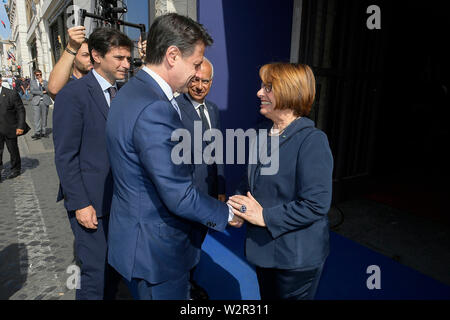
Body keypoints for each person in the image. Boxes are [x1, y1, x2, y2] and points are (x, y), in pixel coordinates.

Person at [106, 13, 243, 300]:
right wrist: (229, 213)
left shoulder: (129, 92)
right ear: (172, 55)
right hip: (157, 252)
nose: (197, 74)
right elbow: (178, 195)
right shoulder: (154, 107)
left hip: (137, 241)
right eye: (194, 64)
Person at [227, 62, 333, 300]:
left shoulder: (312, 141)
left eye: (268, 87)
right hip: (263, 252)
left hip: (295, 259)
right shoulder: (262, 135)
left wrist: (264, 217)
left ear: (288, 91)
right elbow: (249, 183)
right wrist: (237, 209)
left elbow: (316, 204)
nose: (259, 93)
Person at [53, 27, 133, 300]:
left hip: (118, 202)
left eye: (128, 58)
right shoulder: (73, 94)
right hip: (90, 204)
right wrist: (80, 204)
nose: (126, 64)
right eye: (119, 58)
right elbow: (65, 156)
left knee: (113, 269)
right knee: (93, 274)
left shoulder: (121, 94)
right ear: (97, 56)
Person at [175, 57, 225, 299]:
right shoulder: (174, 108)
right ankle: (182, 291)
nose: (199, 86)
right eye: (195, 80)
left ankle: (190, 284)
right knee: (183, 247)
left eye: (205, 81)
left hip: (209, 194)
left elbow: (218, 151)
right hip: (185, 197)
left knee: (197, 244)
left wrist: (221, 187)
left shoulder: (213, 110)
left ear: (211, 82)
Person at [48, 26, 93, 99]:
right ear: (73, 59)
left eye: (92, 55)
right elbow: (54, 89)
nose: (91, 59)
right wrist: (72, 47)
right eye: (85, 55)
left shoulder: (97, 80)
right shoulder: (67, 84)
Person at [0, 74, 29, 181]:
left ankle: (15, 169)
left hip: (10, 127)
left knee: (13, 150)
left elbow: (20, 110)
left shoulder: (11, 93)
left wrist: (20, 126)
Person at [30, 70, 52, 140]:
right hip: (36, 101)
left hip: (45, 101)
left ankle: (44, 132)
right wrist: (42, 92)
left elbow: (48, 90)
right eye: (37, 75)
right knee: (37, 118)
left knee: (44, 117)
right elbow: (32, 91)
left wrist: (42, 84)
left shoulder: (45, 82)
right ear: (35, 75)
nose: (39, 76)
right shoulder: (32, 82)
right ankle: (37, 132)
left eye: (40, 74)